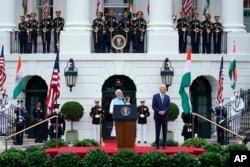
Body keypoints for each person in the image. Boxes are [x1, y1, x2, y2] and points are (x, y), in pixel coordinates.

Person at [152, 84, 170, 149]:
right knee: (157, 131)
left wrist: (164, 111)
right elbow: (153, 106)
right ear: (160, 89)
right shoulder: (155, 96)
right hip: (157, 117)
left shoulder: (167, 97)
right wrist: (159, 111)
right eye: (164, 88)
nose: (165, 90)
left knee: (165, 131)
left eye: (165, 89)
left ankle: (164, 145)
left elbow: (168, 106)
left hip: (165, 117)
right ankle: (157, 145)